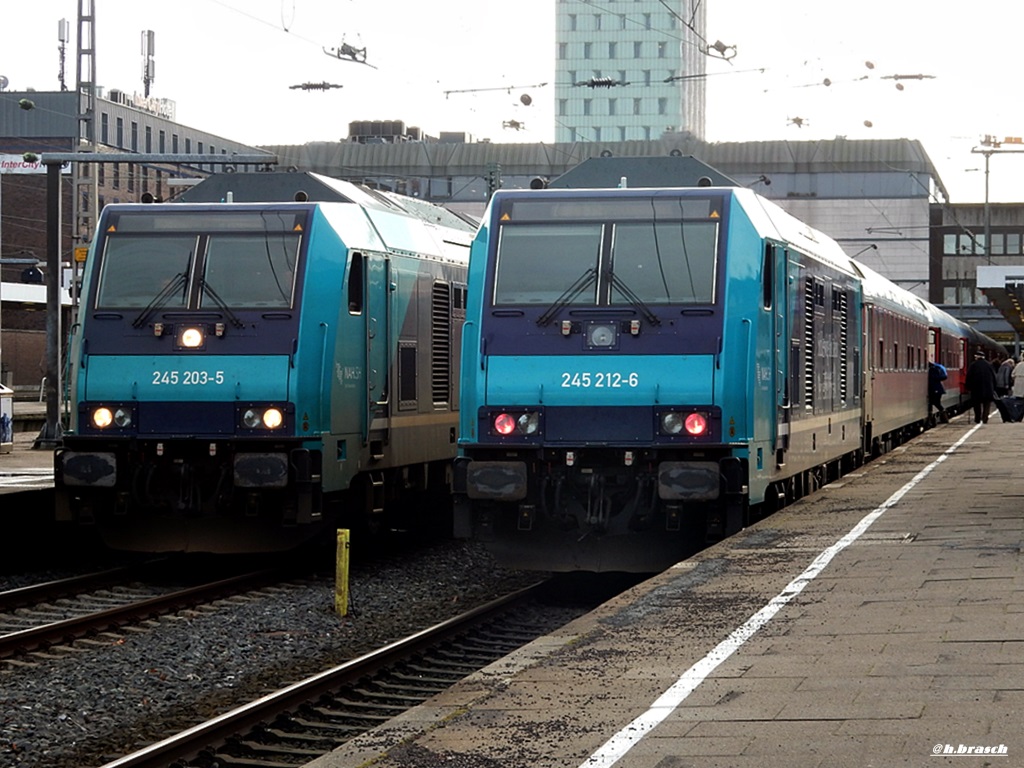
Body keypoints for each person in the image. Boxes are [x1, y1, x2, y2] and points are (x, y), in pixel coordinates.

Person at [965, 350, 998, 424]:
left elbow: (969, 377)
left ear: (976, 357)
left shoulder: (973, 365)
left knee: (976, 404)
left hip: (976, 389)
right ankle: (985, 418)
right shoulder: (989, 365)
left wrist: (968, 387)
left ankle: (977, 418)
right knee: (987, 404)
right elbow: (994, 377)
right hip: (988, 388)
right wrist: (994, 387)